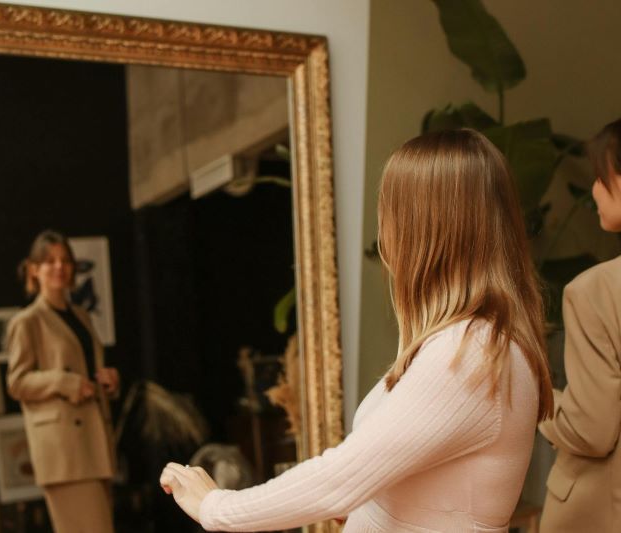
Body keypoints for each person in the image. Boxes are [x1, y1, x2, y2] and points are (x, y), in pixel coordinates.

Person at [160, 129, 554, 532]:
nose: (384, 234)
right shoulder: (468, 343)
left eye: (389, 214)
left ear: (420, 229)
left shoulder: (470, 351)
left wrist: (215, 506)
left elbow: (340, 480)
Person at [538, 113, 621, 532]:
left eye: (600, 176)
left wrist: (538, 401)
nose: (595, 190)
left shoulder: (598, 290)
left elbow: (591, 429)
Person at [6, 230, 120, 533]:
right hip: (64, 449)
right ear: (34, 269)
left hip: (94, 440)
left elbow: (89, 368)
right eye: (50, 261)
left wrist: (108, 380)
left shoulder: (81, 316)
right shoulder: (27, 321)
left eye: (65, 260)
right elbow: (17, 383)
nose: (59, 267)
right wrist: (64, 382)